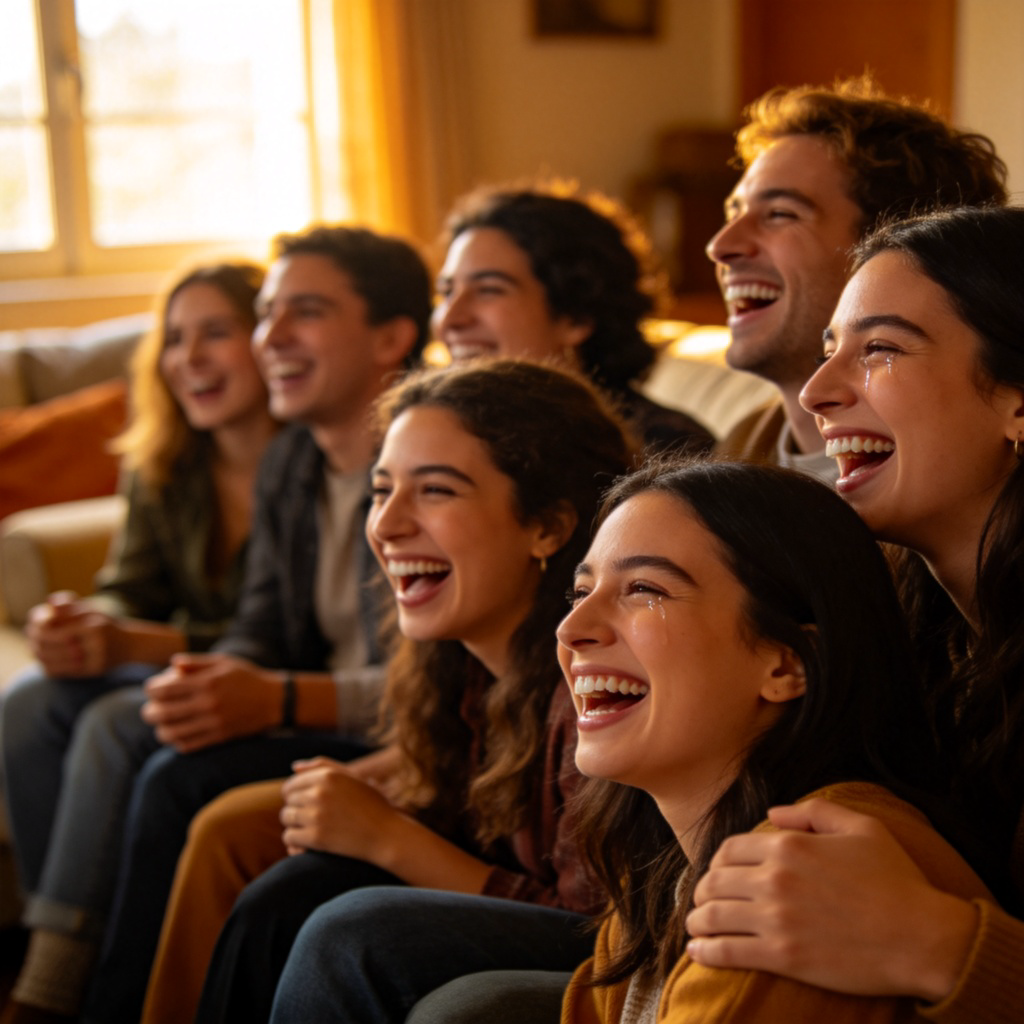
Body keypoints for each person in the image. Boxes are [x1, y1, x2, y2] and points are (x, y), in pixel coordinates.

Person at [278, 457, 991, 1024]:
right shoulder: (666, 871)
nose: (572, 629)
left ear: (785, 664)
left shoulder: (804, 876)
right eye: (580, 591)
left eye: (645, 590)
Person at [20, 225, 432, 1024]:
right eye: (267, 314)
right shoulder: (295, 461)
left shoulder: (427, 467)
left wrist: (269, 696)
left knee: (173, 773)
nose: (267, 337)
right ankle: (75, 980)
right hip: (324, 709)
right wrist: (212, 681)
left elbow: (436, 690)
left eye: (300, 313)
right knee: (127, 726)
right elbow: (259, 628)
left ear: (391, 336)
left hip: (400, 733)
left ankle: (91, 1002)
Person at [174, 360, 635, 1023]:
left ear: (548, 527)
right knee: (290, 888)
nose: (385, 526)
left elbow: (592, 929)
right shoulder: (466, 665)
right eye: (381, 489)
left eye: (436, 491)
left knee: (358, 934)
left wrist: (388, 838)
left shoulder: (591, 680)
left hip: (603, 956)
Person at [686, 205, 1024, 1023]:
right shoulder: (918, 636)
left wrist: (935, 942)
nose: (818, 391)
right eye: (831, 348)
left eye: (879, 349)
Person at [0, 261, 277, 1023]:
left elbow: (279, 635)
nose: (188, 358)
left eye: (215, 333)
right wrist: (85, 621)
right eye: (175, 339)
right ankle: (53, 937)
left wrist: (138, 642)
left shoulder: (309, 464)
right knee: (29, 701)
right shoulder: (165, 463)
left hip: (260, 676)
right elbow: (131, 585)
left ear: (270, 337)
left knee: (107, 723)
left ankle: (54, 987)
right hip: (168, 660)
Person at [707, 75, 1007, 480]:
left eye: (780, 214)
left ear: (892, 249)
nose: (721, 246)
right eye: (733, 213)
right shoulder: (737, 450)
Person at [434, 184, 713, 453]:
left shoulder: (666, 452)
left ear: (576, 318)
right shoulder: (431, 433)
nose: (451, 318)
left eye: (489, 290)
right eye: (446, 292)